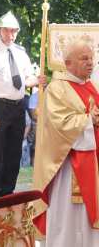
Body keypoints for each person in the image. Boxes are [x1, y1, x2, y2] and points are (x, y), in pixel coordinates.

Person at [33, 40, 99, 246]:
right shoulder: (57, 89)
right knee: (68, 219)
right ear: (68, 63)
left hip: (93, 162)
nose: (90, 62)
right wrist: (90, 120)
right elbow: (59, 125)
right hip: (68, 167)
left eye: (91, 58)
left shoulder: (90, 87)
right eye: (84, 58)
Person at [0, 11, 44, 199]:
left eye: (14, 31)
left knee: (14, 151)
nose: (11, 35)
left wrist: (37, 80)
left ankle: (8, 192)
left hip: (18, 105)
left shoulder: (21, 53)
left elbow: (25, 80)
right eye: (7, 31)